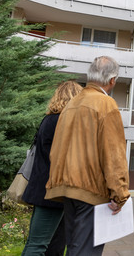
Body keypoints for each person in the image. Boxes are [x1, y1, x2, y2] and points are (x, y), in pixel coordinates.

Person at [46, 56, 130, 255]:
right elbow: (114, 154)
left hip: (67, 188)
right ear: (112, 80)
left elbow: (56, 149)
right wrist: (120, 193)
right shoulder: (106, 104)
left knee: (74, 246)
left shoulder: (71, 104)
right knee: (85, 251)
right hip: (90, 189)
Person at [22, 81, 83, 256]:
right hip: (52, 192)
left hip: (50, 190)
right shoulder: (60, 121)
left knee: (53, 245)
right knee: (38, 245)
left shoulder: (50, 119)